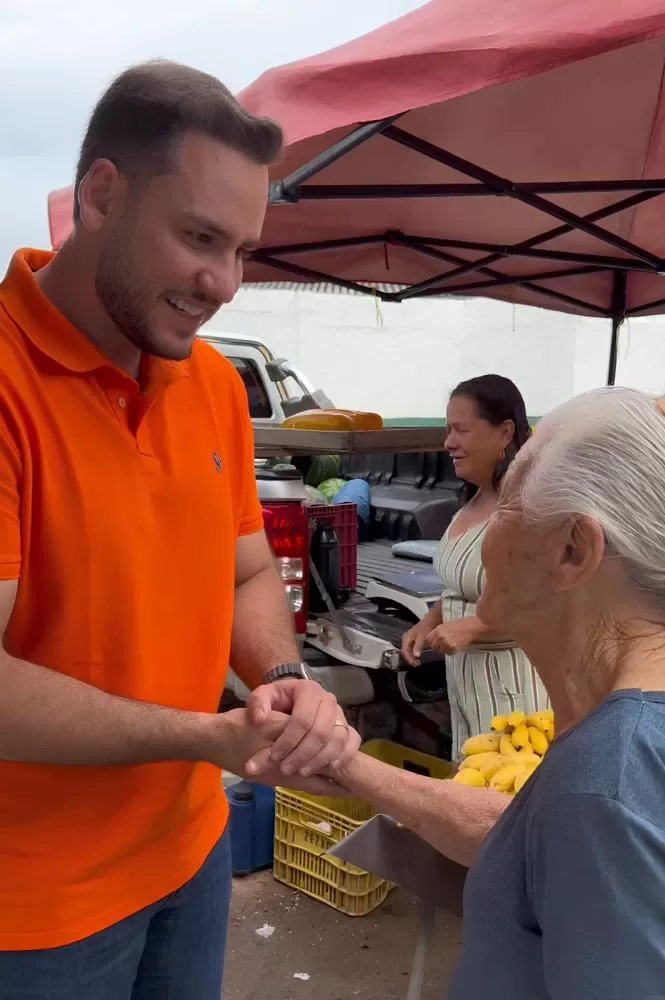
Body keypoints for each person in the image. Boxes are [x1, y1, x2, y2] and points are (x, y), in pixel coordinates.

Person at [0, 61, 360, 1000]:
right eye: (200, 237)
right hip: (34, 909)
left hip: (189, 854)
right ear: (103, 194)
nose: (225, 283)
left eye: (243, 249)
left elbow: (246, 572)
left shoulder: (210, 387)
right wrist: (205, 735)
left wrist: (281, 681)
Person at [334, 386, 665, 998]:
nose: (489, 532)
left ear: (573, 550)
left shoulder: (606, 781)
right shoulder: (622, 741)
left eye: (513, 500)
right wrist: (351, 769)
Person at [401, 374, 547, 760]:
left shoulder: (528, 505)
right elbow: (464, 588)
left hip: (513, 693)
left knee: (503, 802)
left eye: (461, 429)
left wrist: (475, 627)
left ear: (505, 432)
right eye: (448, 430)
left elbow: (549, 601)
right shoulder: (476, 499)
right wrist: (431, 620)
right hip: (467, 686)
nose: (449, 442)